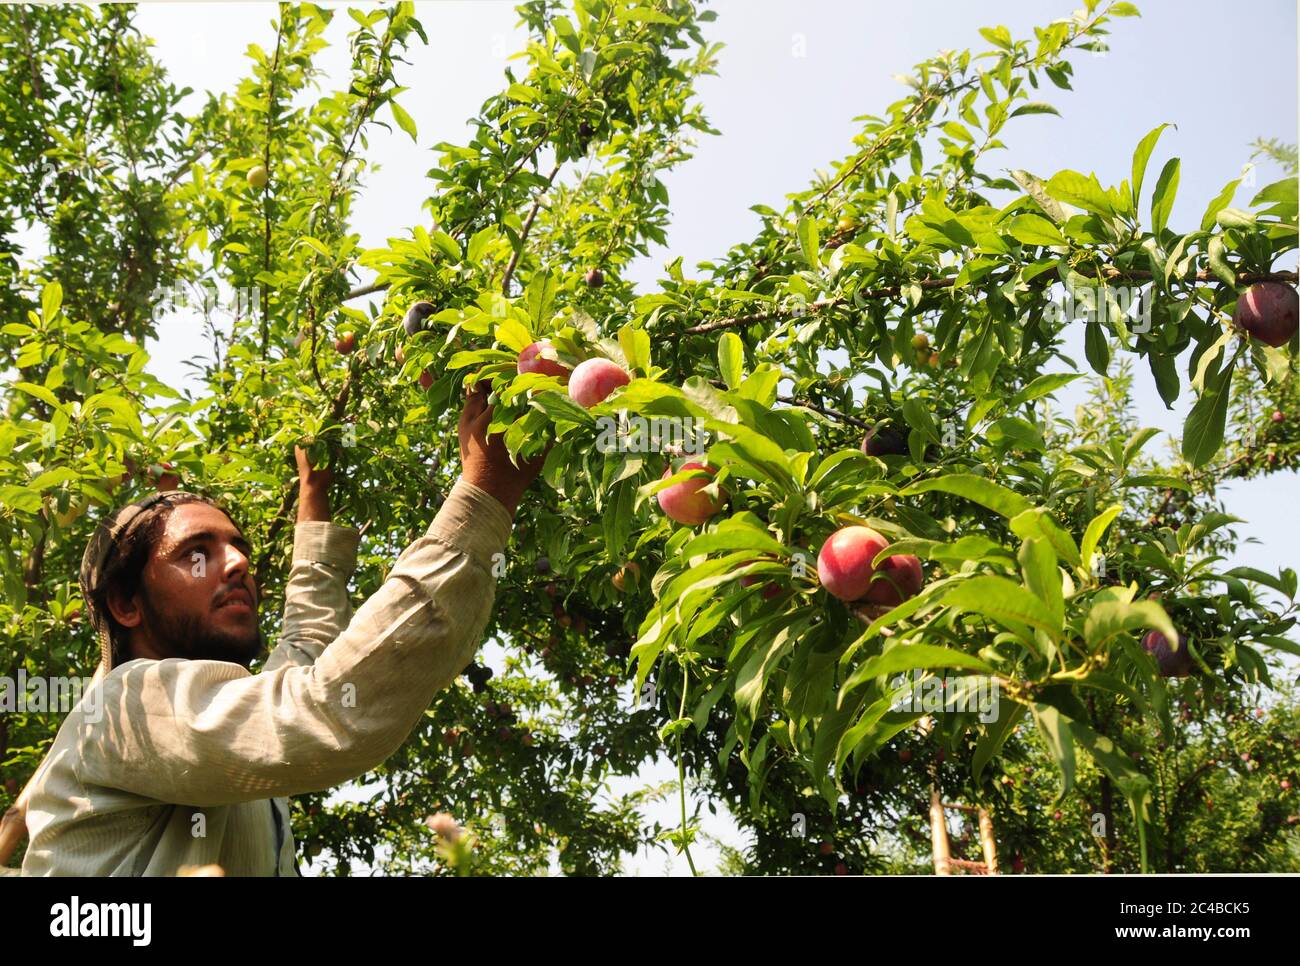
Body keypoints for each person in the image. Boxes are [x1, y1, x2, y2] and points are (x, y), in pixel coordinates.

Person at [7, 382, 543, 876]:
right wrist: (483, 495)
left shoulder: (222, 731)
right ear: (126, 604)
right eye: (196, 554)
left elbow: (307, 651)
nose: (239, 562)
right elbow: (326, 708)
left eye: (237, 546)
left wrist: (313, 492)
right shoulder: (125, 707)